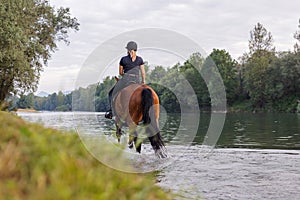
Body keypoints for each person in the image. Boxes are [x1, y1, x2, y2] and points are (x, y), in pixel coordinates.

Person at [105, 41, 146, 119]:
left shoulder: (123, 59)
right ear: (135, 50)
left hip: (126, 79)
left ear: (129, 50)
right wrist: (143, 81)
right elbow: (143, 73)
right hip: (136, 80)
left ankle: (111, 111)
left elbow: (120, 73)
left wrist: (125, 75)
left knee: (111, 93)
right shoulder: (140, 59)